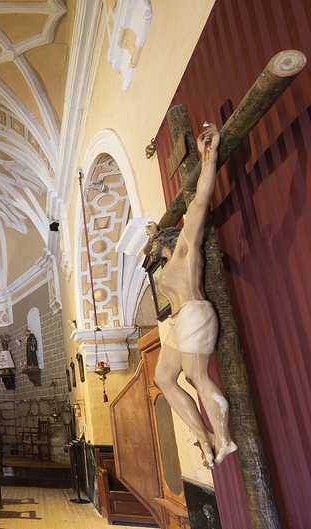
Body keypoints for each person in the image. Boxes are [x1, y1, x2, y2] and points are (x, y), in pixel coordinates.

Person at [145, 122, 237, 469]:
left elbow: (200, 201)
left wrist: (208, 158)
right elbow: (158, 248)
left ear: (167, 241)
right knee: (163, 378)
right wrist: (155, 235)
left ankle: (224, 439)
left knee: (197, 375)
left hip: (195, 314)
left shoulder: (185, 246)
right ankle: (205, 435)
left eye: (155, 245)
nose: (152, 251)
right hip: (180, 322)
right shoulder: (168, 260)